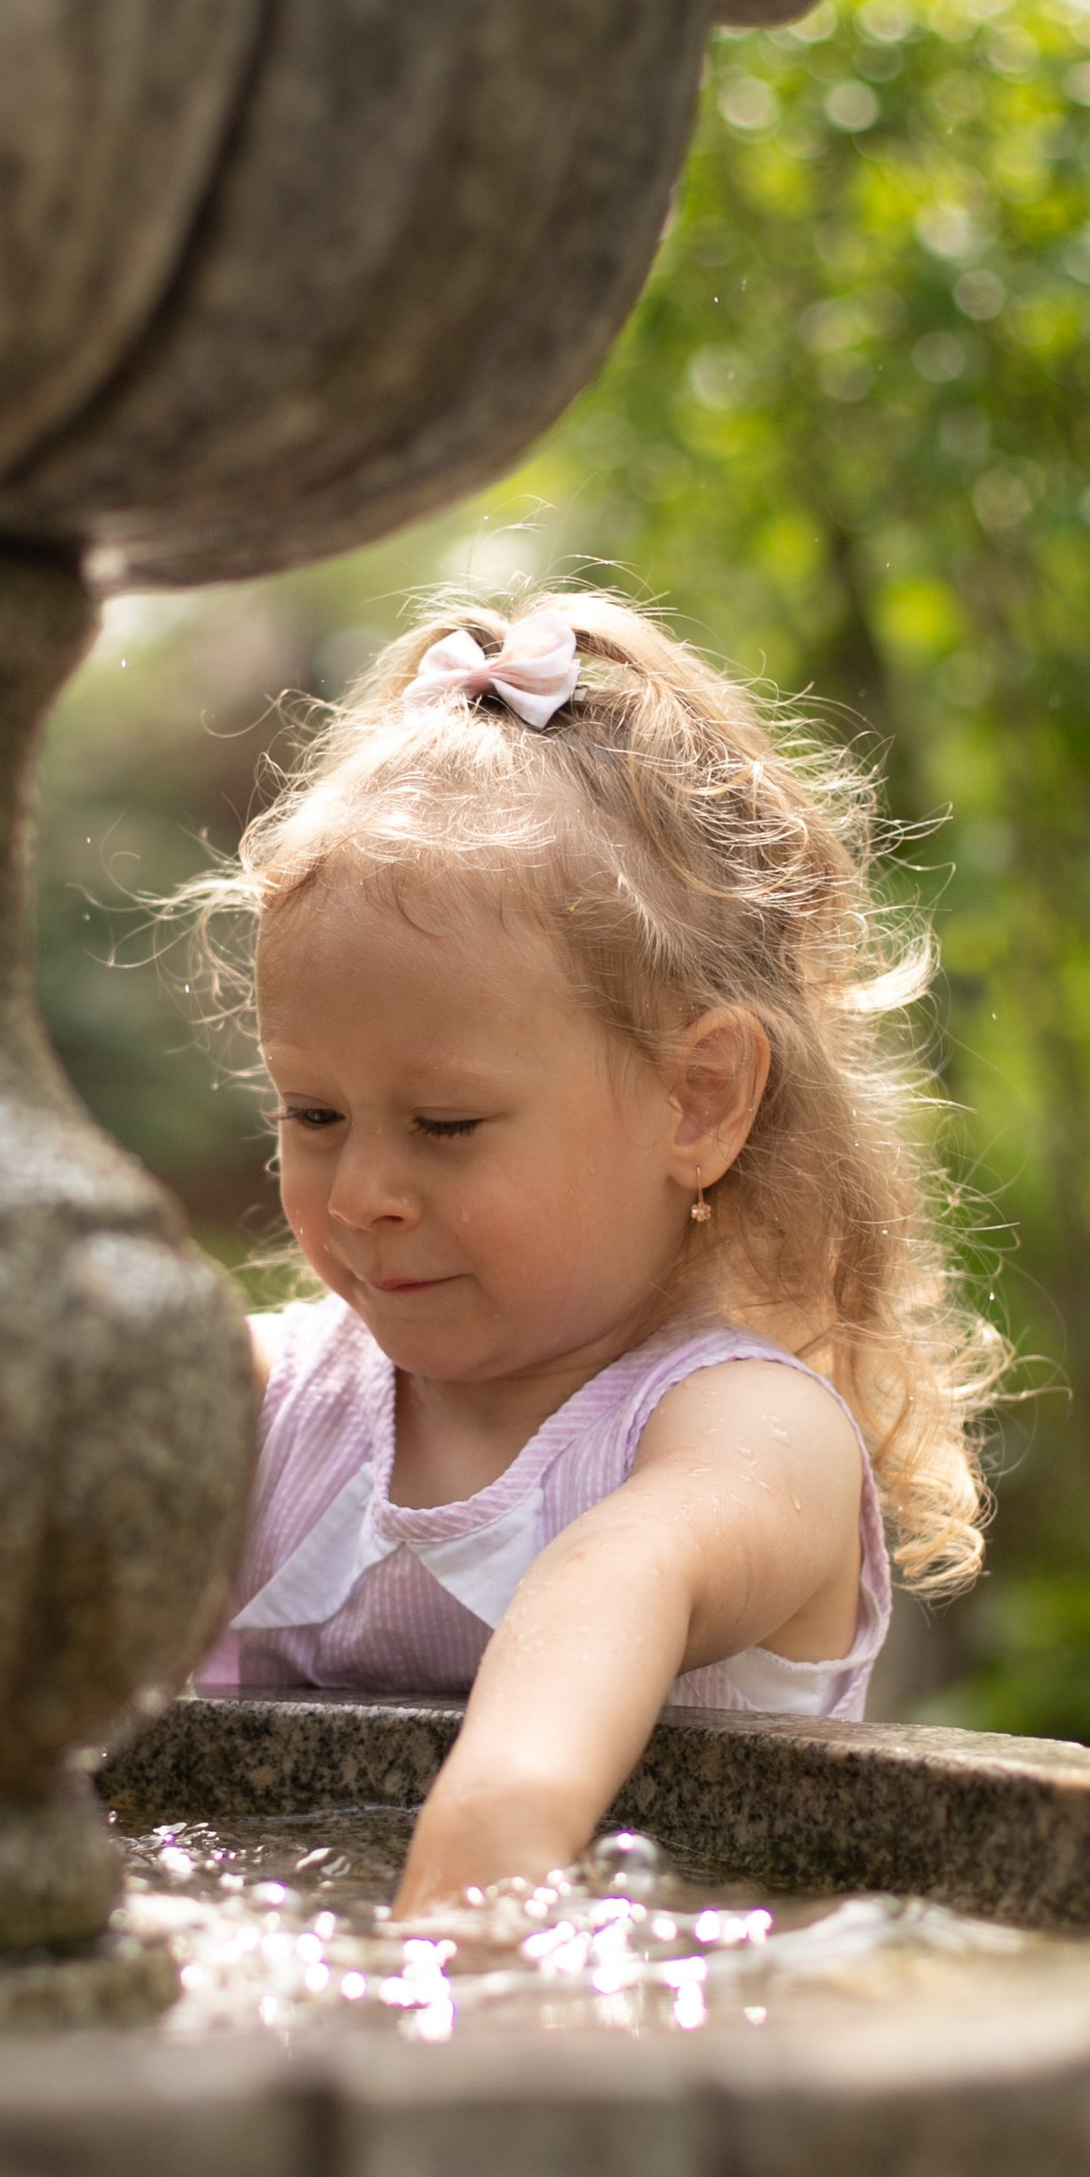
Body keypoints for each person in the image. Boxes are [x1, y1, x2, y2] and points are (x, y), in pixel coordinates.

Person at [183, 591, 1000, 1923]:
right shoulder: (270, 1403)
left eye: (446, 1125)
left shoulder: (744, 1435)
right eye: (312, 1115)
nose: (366, 1191)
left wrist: (443, 1943)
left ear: (699, 1101)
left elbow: (612, 1582)